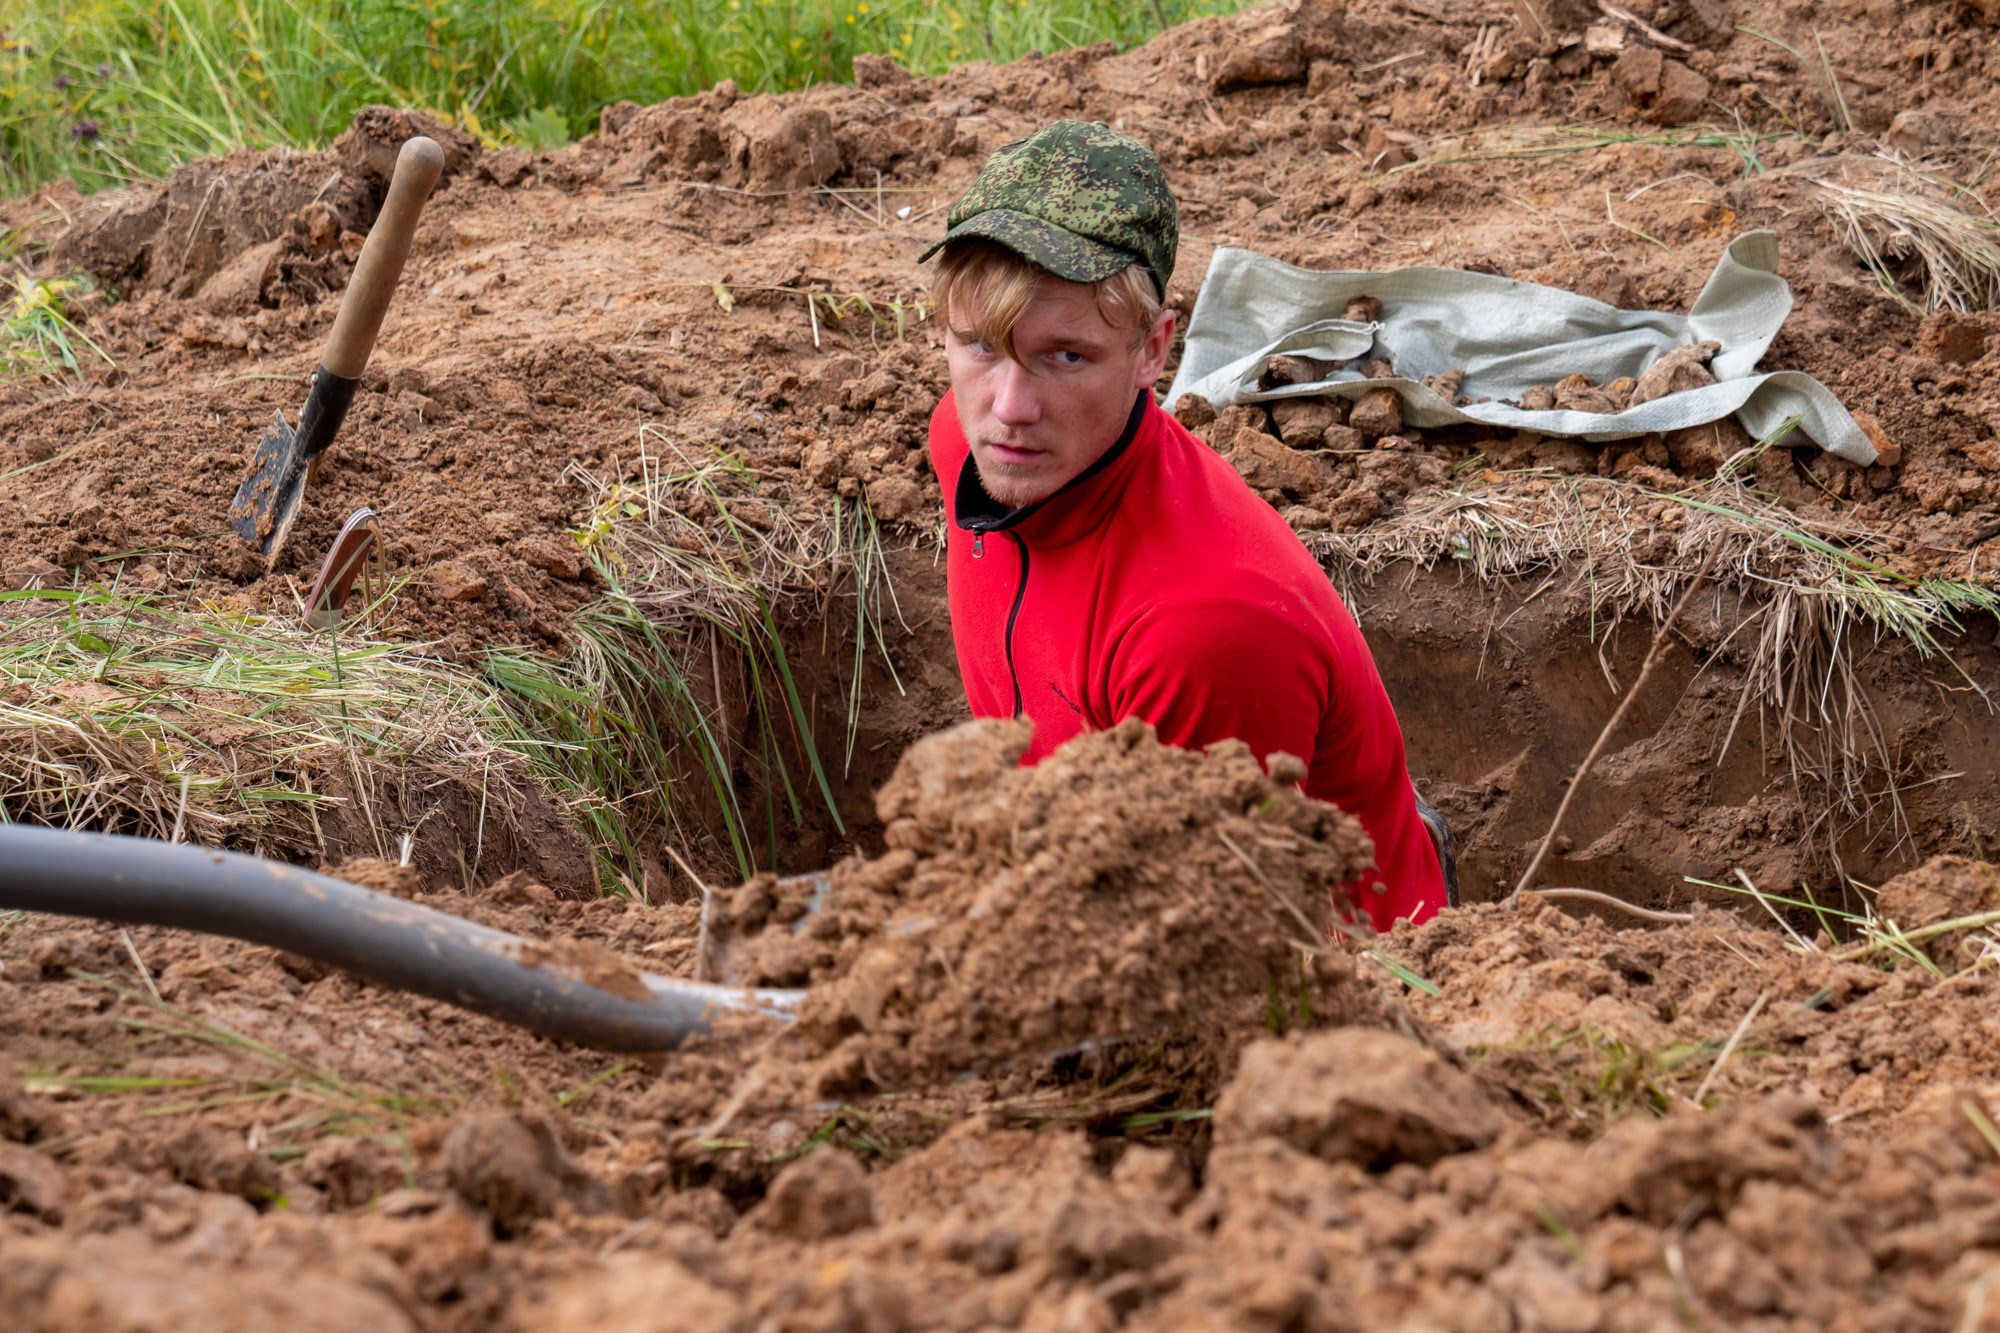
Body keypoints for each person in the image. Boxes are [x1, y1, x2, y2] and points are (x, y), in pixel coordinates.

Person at [919, 119, 1449, 933]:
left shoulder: (1202, 628)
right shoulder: (970, 445)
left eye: (1067, 356)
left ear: (1152, 350)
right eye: (980, 346)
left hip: (1322, 973)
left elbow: (1197, 958)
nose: (1010, 408)